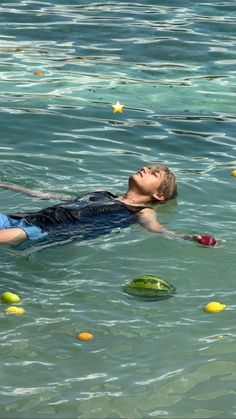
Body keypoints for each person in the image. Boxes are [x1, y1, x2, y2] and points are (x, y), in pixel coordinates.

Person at [0, 164, 201, 247]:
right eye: (147, 167)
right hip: (23, 218)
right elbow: (45, 195)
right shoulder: (101, 193)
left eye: (153, 173)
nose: (145, 168)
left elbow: (156, 228)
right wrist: (6, 185)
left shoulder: (142, 210)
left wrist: (187, 237)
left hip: (42, 231)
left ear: (158, 195)